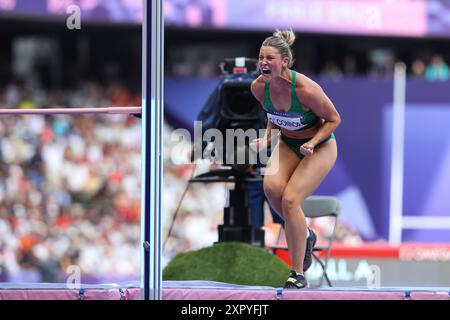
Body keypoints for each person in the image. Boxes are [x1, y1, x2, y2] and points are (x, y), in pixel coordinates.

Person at [249, 29, 341, 289]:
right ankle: (306, 234)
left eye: (270, 58)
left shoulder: (306, 89)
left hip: (320, 146)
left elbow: (334, 119)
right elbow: (273, 114)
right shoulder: (258, 88)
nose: (263, 63)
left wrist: (312, 142)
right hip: (289, 143)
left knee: (290, 200)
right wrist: (268, 138)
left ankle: (297, 273)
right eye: (261, 58)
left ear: (285, 62)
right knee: (271, 188)